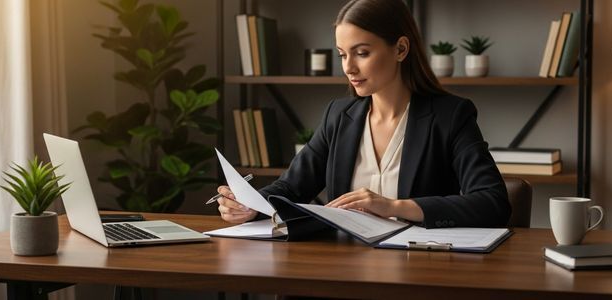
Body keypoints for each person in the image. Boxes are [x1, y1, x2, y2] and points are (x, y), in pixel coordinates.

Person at [217, 0, 510, 229]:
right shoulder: (338, 115)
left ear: (400, 49)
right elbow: (292, 187)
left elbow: (492, 203)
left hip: (419, 269)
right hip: (345, 267)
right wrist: (251, 205)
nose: (349, 68)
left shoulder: (451, 115)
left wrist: (394, 206)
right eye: (343, 54)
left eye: (362, 53)